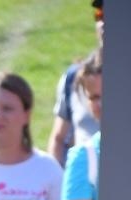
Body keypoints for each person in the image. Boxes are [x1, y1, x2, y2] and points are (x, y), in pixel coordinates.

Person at [47, 2, 104, 167]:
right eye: (100, 15)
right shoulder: (74, 77)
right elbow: (58, 139)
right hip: (83, 185)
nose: (104, 23)